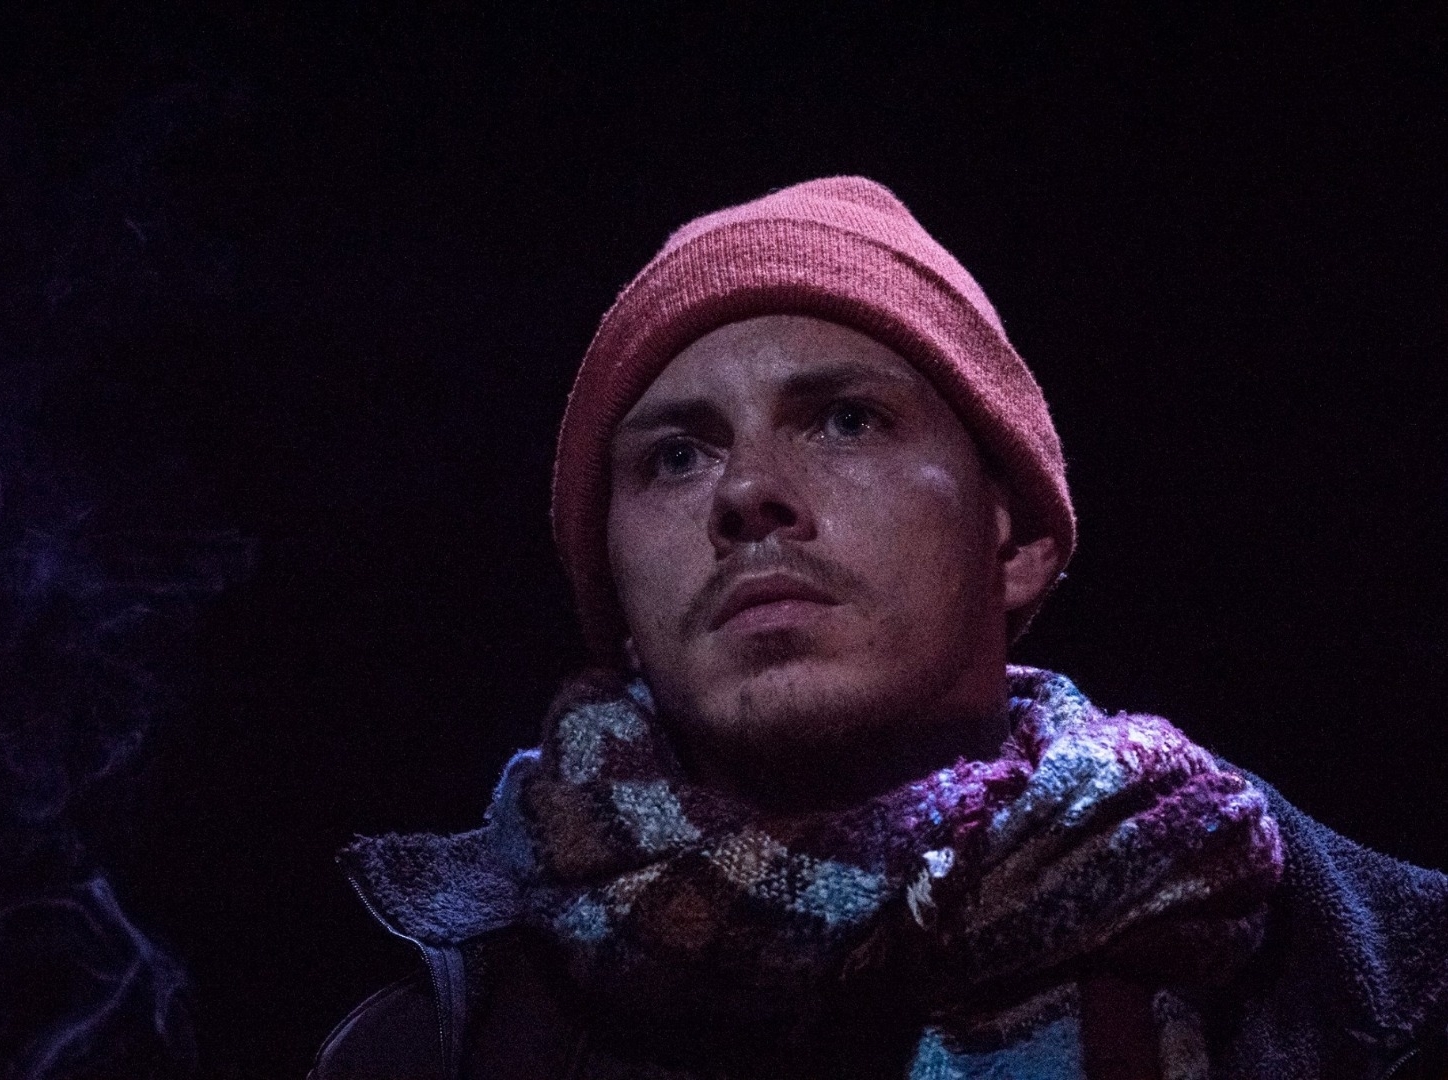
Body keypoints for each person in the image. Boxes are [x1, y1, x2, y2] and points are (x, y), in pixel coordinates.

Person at [311, 178, 1448, 1079]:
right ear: (621, 610)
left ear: (1016, 537)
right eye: (677, 456)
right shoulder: (429, 1042)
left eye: (846, 420)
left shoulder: (1388, 988)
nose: (746, 493)